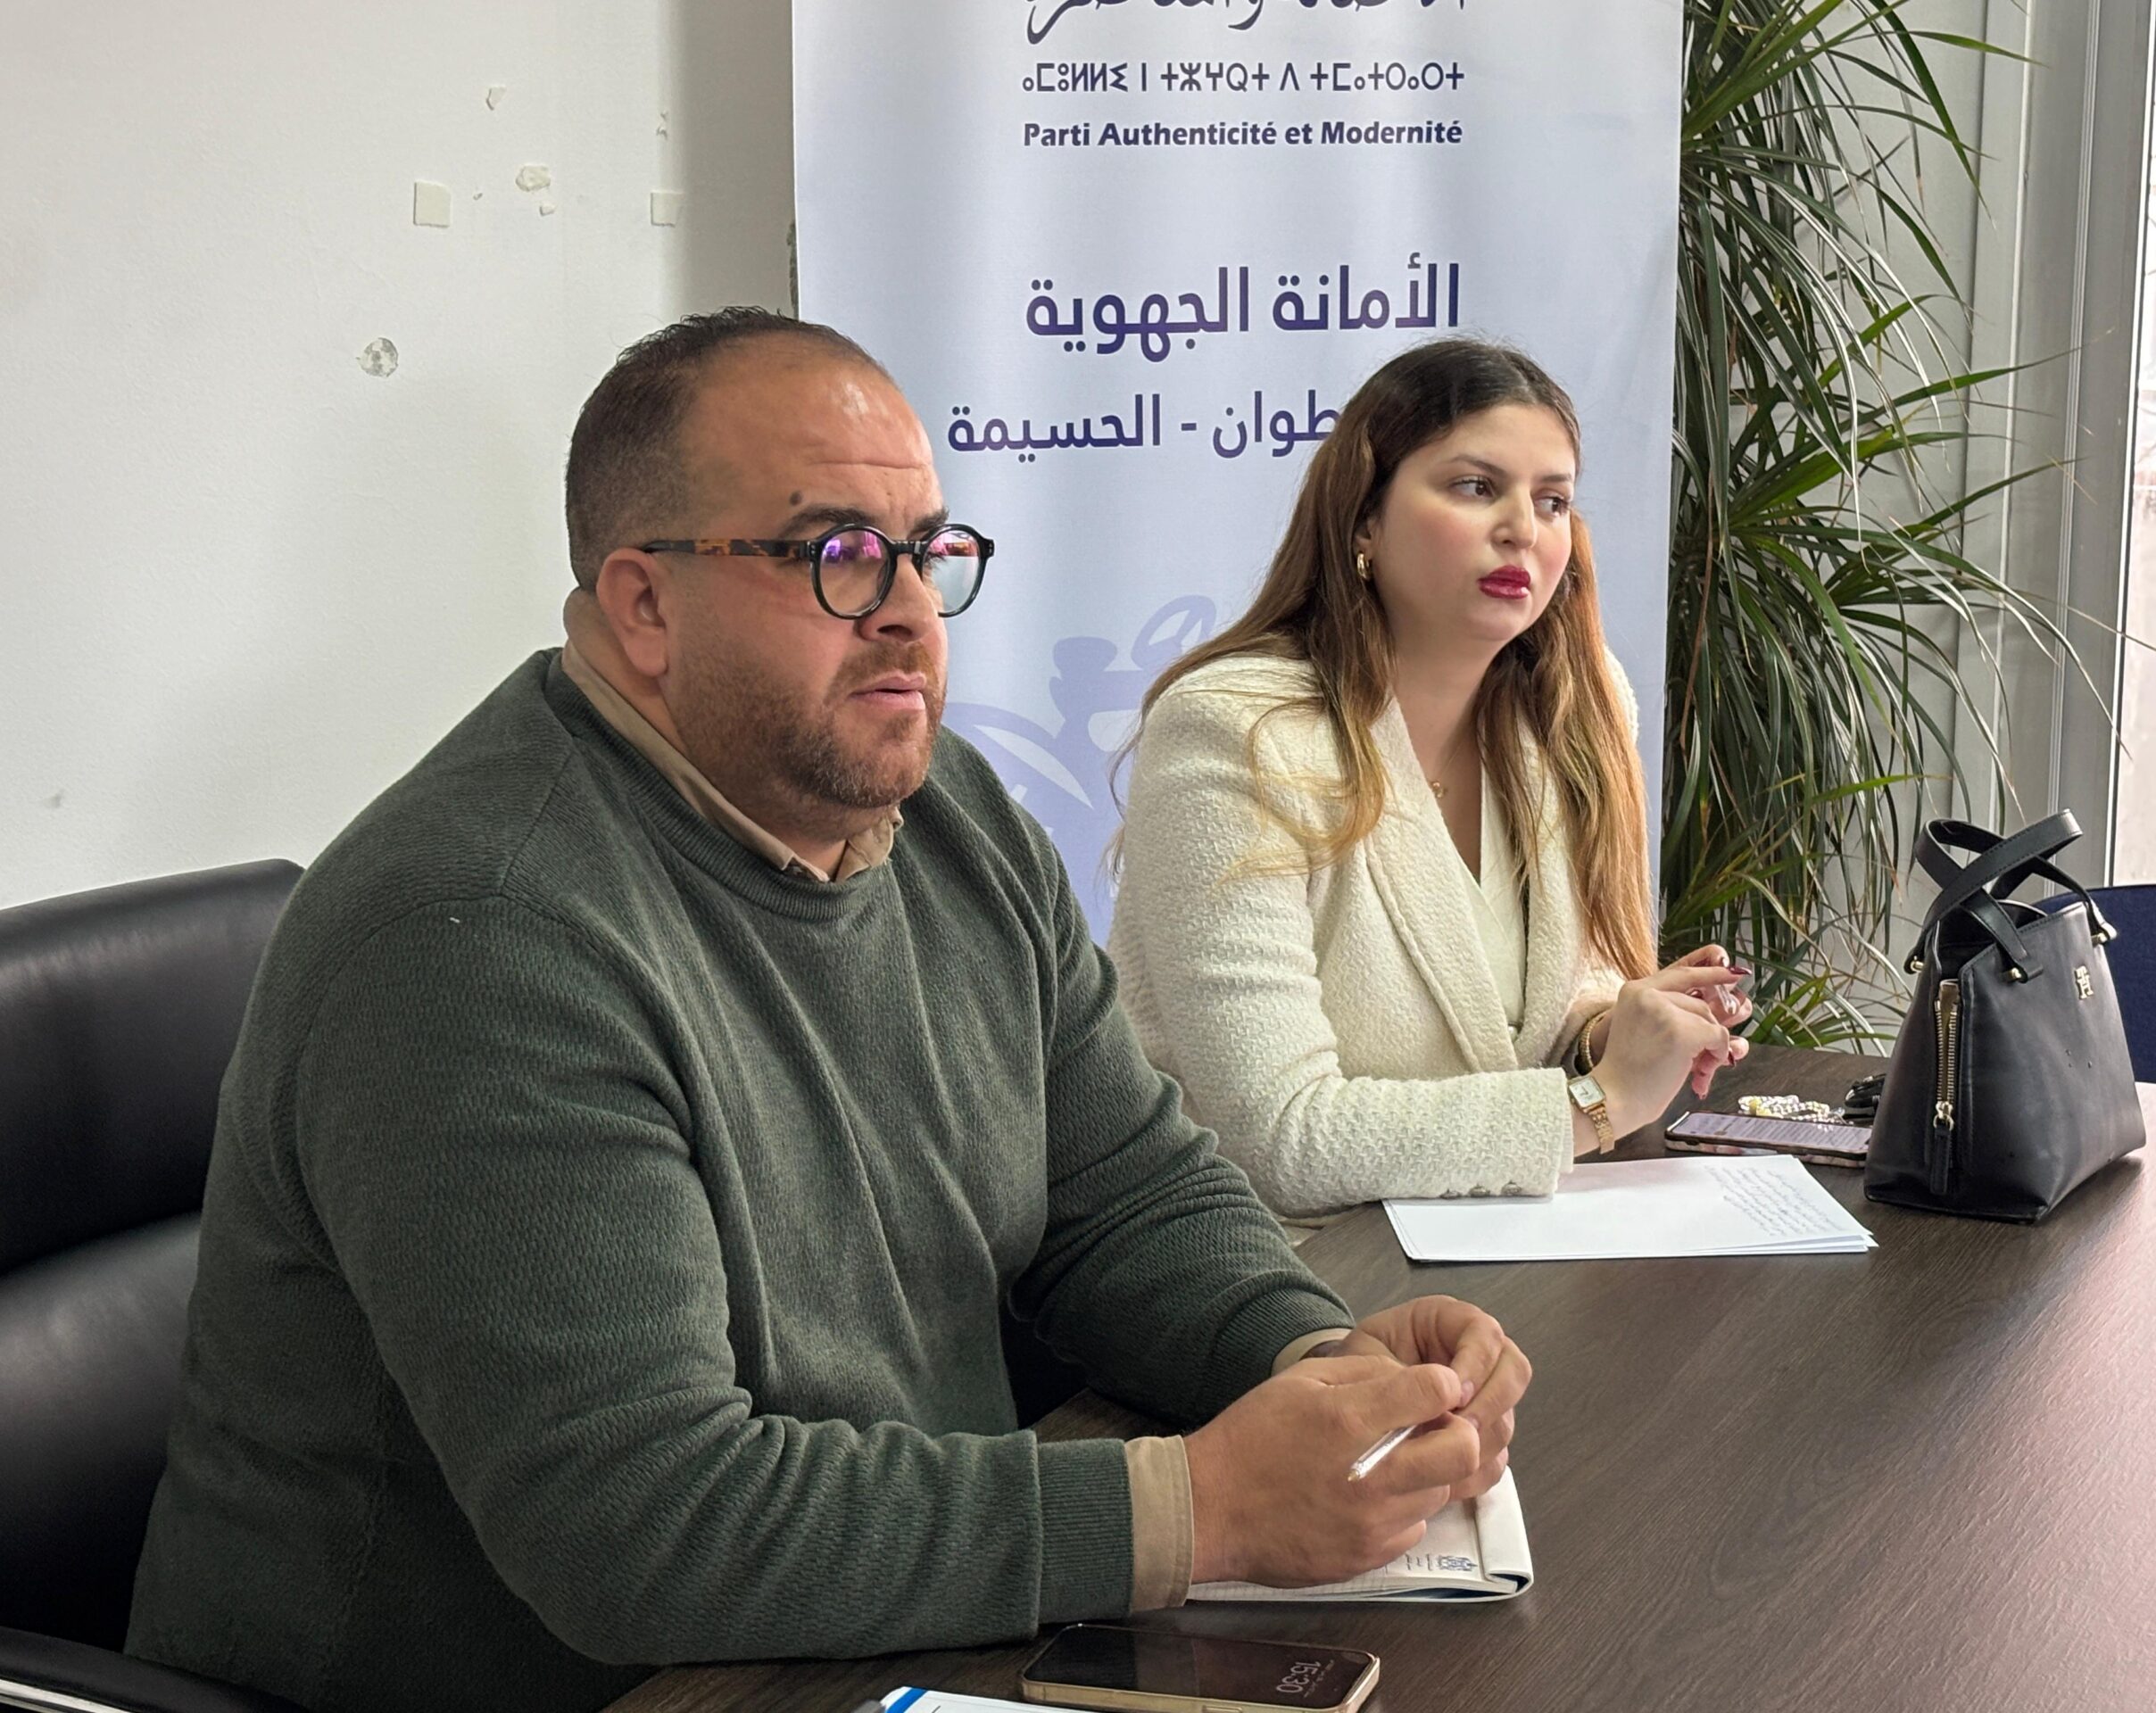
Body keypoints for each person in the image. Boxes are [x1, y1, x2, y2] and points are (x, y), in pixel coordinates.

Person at [124, 310, 1530, 1713]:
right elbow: (642, 1526)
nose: (910, 608)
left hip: (879, 1634)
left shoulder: (947, 815)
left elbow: (1126, 1195)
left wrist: (1313, 1362)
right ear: (645, 606)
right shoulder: (483, 934)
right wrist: (1200, 1508)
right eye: (838, 555)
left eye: (927, 549)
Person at [1109, 339, 1752, 1220]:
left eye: (1552, 500)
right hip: (1267, 1259)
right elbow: (1277, 1139)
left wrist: (1616, 1034)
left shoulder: (1582, 703)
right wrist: (1597, 1103)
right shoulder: (1236, 730)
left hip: (1493, 1235)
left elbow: (1540, 1009)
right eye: (1475, 487)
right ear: (1363, 521)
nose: (1523, 529)